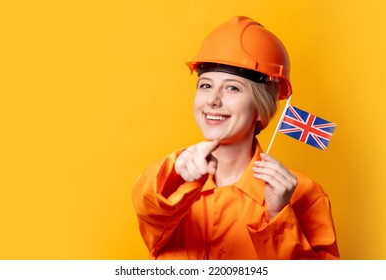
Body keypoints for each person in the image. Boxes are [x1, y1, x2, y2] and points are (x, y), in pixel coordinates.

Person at [131, 16, 339, 260]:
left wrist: (278, 217)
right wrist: (178, 171)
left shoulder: (305, 194)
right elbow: (148, 207)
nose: (213, 100)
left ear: (261, 107)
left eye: (232, 88)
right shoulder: (169, 183)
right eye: (205, 85)